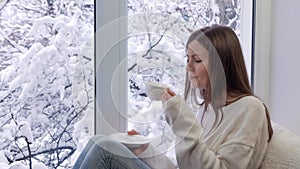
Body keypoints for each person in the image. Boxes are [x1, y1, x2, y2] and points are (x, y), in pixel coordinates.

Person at [73, 24, 273, 169]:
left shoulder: (250, 109)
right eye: (187, 58)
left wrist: (181, 120)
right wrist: (146, 151)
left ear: (222, 65)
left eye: (196, 60)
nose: (188, 67)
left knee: (106, 149)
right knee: (98, 141)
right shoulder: (209, 108)